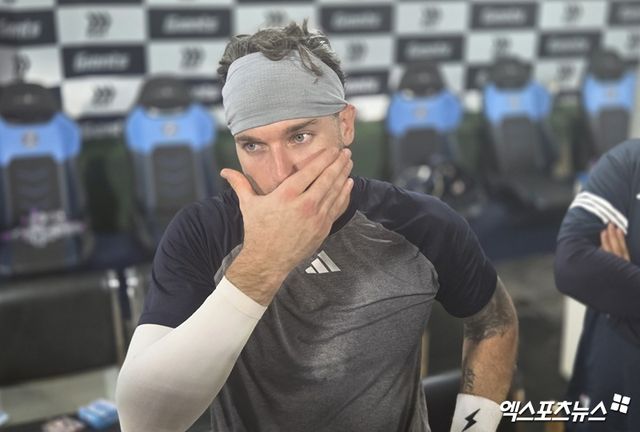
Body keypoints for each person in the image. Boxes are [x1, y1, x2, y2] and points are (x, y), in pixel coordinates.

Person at [115, 21, 518, 432]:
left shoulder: (420, 224)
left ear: (345, 125)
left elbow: (494, 322)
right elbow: (142, 423)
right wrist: (263, 264)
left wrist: (475, 427)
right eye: (253, 145)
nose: (280, 172)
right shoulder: (203, 234)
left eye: (300, 137)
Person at [555, 138, 640, 431]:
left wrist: (621, 284)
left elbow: (601, 278)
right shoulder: (629, 163)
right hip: (614, 377)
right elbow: (571, 265)